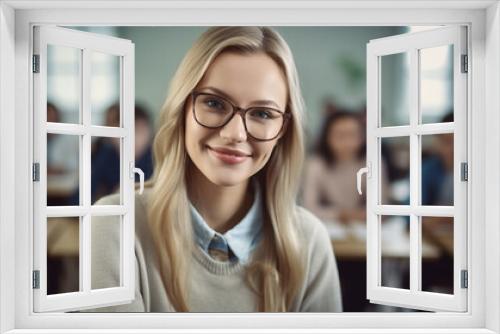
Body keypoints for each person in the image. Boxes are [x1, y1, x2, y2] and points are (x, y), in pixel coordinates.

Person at [89, 26, 342, 313]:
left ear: (283, 129)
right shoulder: (116, 226)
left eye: (262, 113)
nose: (235, 134)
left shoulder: (308, 241)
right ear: (181, 109)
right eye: (214, 103)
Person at [301, 110, 368, 224]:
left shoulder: (371, 163)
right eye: (340, 135)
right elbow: (309, 208)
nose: (347, 142)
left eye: (353, 135)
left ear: (362, 137)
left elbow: (381, 205)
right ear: (327, 137)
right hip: (328, 226)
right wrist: (342, 214)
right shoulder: (316, 164)